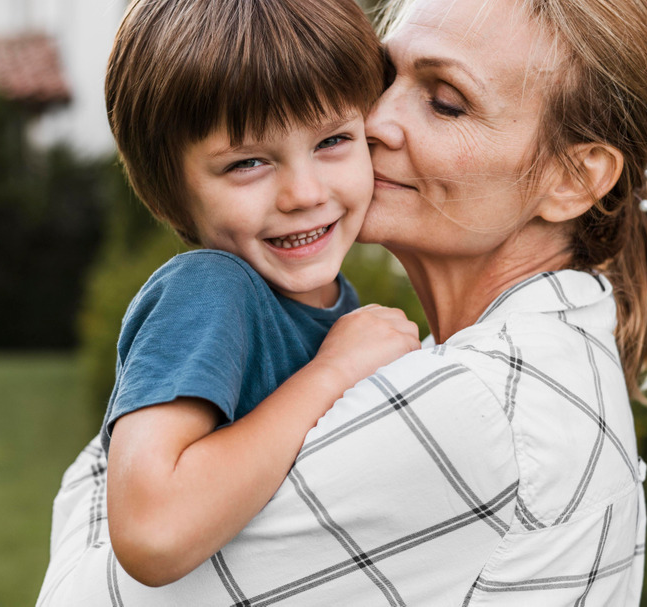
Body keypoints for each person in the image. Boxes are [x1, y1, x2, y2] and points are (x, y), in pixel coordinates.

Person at [37, 0, 647, 604]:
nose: (373, 121)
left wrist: (94, 474)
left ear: (573, 178)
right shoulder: (524, 359)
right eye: (385, 76)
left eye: (445, 101)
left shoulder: (477, 410)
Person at [39, 0, 421, 594]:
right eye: (247, 163)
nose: (303, 192)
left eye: (332, 140)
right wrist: (333, 373)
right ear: (173, 193)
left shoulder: (336, 310)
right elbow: (152, 530)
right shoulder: (212, 291)